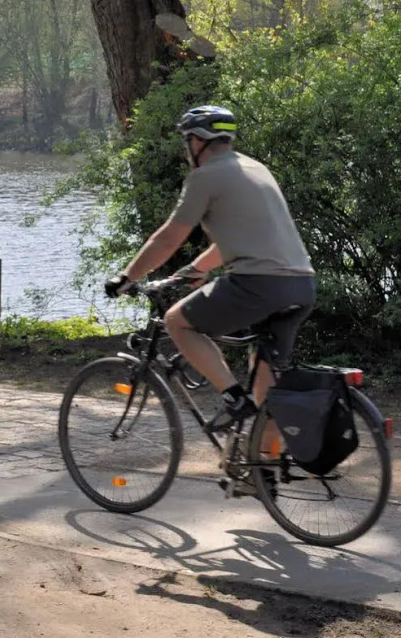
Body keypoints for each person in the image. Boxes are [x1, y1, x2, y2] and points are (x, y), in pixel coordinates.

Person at [105, 105, 316, 443]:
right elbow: (234, 241)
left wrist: (128, 276)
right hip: (302, 286)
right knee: (266, 392)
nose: (186, 148)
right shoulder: (257, 169)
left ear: (197, 141)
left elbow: (169, 237)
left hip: (258, 284)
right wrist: (195, 271)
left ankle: (232, 397)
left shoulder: (205, 177)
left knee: (177, 321)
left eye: (186, 140)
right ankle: (263, 476)